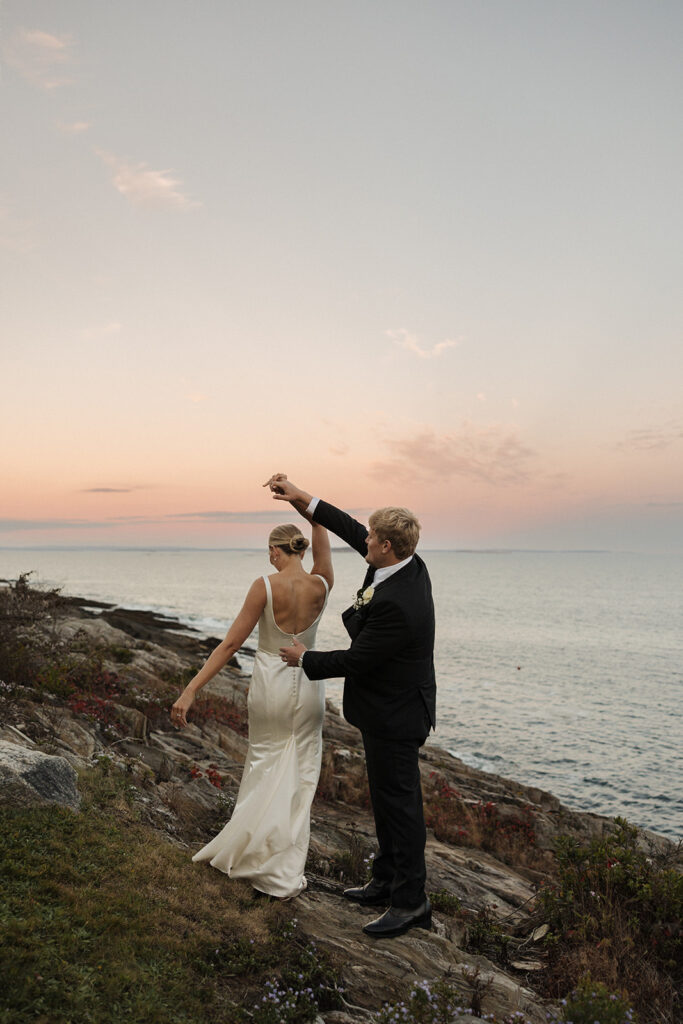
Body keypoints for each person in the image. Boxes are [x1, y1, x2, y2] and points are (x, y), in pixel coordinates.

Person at [269, 474, 436, 938]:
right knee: (385, 801)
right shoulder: (404, 562)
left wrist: (306, 659)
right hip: (386, 708)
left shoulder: (399, 604)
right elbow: (347, 527)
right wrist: (304, 499)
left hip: (398, 716)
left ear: (385, 545)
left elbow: (358, 660)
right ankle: (385, 881)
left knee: (402, 809)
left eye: (371, 537)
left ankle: (410, 902)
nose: (364, 539)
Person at [170, 518, 334, 899]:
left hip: (271, 686)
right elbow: (321, 537)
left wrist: (191, 689)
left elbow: (229, 646)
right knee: (301, 773)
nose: (270, 557)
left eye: (270, 551)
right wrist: (309, 510)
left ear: (277, 550)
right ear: (302, 548)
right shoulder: (321, 584)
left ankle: (248, 851)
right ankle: (282, 865)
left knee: (264, 763)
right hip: (309, 685)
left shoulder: (264, 586)